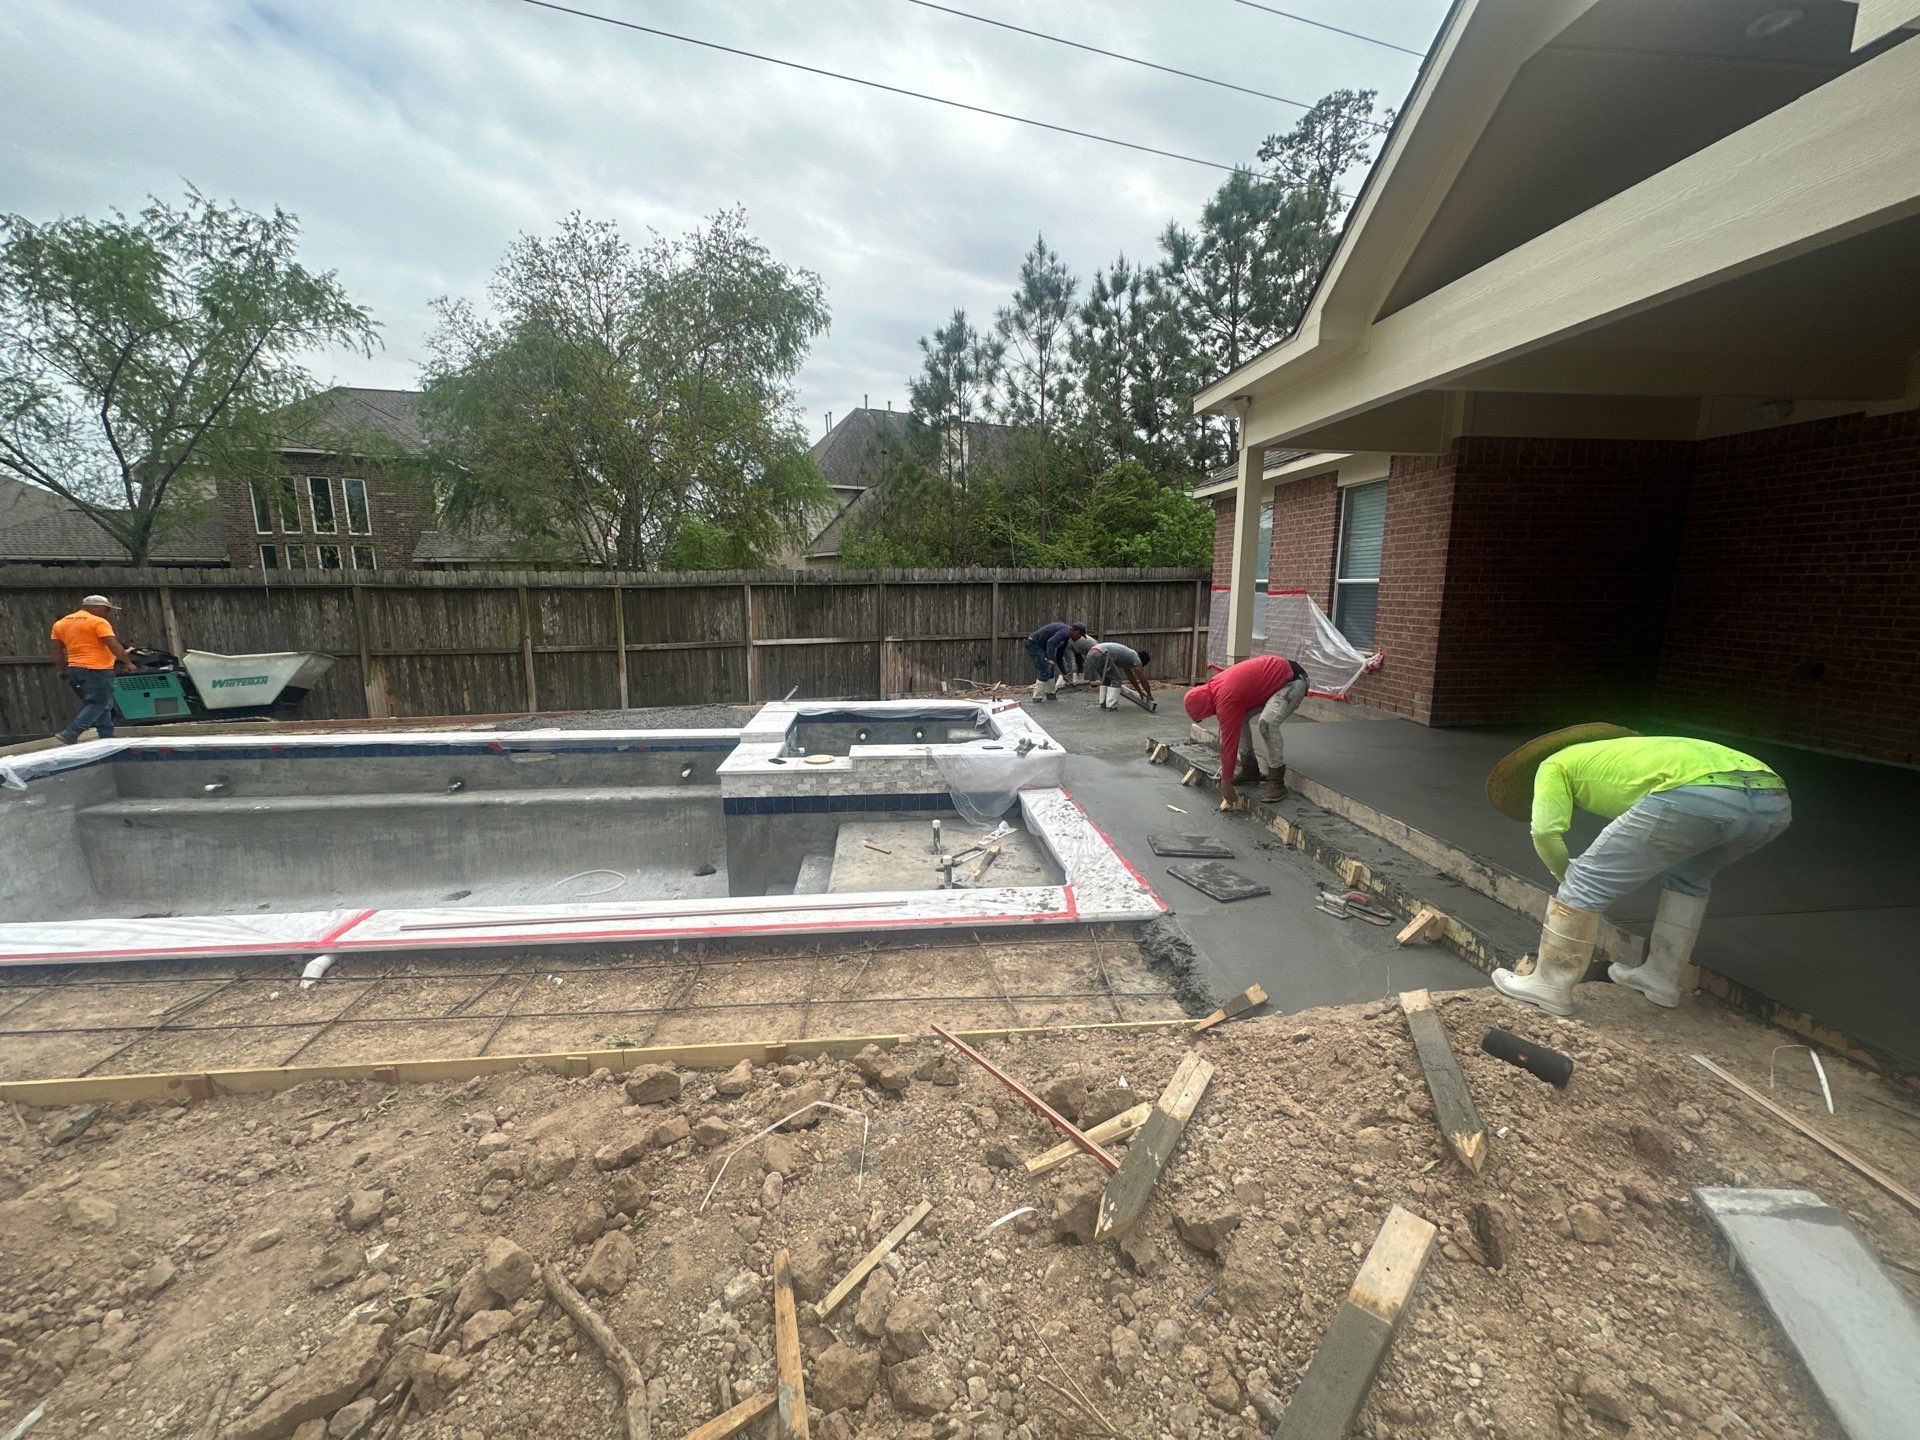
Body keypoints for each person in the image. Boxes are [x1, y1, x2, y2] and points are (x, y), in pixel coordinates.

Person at [1485, 726, 1793, 1017]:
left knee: (1583, 879)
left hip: (1697, 793)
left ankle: (1548, 986)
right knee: (1688, 876)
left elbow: (1545, 833)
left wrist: (1568, 879)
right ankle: (1661, 978)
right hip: (1773, 801)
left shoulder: (1552, 765)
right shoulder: (1625, 752)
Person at [1181, 653, 1309, 805]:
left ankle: (1276, 781)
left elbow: (1229, 744)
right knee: (1239, 719)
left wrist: (1226, 784)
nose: (1208, 717)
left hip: (1293, 680)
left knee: (1267, 723)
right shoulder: (1214, 687)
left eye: (1204, 715)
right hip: (1277, 677)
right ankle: (1250, 770)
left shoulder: (1226, 701)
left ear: (1204, 708)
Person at [50, 594, 133, 745]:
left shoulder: (61, 624)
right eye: (107, 609)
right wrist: (127, 662)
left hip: (75, 668)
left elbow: (56, 650)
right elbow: (112, 644)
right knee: (98, 703)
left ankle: (106, 734)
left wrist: (62, 669)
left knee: (103, 702)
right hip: (97, 668)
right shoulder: (98, 622)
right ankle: (70, 733)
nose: (109, 613)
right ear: (95, 607)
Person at [1023, 621, 1087, 701]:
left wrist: (1065, 674)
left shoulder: (1066, 638)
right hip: (1033, 644)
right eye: (1080, 635)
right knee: (1045, 670)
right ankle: (1037, 698)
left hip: (1042, 647)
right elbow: (1051, 642)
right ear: (1076, 631)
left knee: (1051, 669)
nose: (1079, 638)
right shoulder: (1064, 632)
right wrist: (1050, 659)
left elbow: (1059, 657)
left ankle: (1051, 695)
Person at [1086, 641, 1151, 711]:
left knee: (1107, 679)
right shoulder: (1136, 659)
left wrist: (1140, 692)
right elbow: (1143, 680)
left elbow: (1131, 678)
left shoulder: (1128, 658)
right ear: (1143, 662)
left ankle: (1103, 705)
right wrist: (1149, 694)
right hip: (1100, 654)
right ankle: (1111, 707)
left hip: (1091, 653)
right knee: (1117, 680)